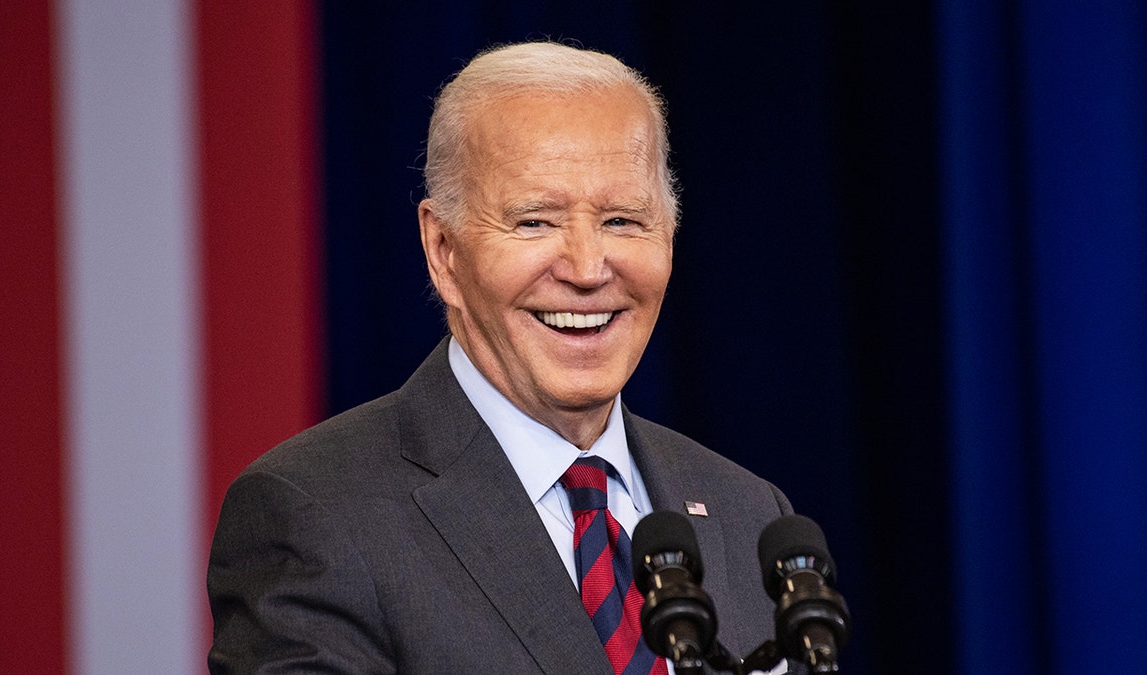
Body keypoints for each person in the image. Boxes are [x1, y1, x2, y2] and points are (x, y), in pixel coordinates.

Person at [207, 41, 795, 674]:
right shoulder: (316, 514)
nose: (588, 269)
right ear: (444, 251)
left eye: (623, 220)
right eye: (535, 222)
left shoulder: (750, 515)